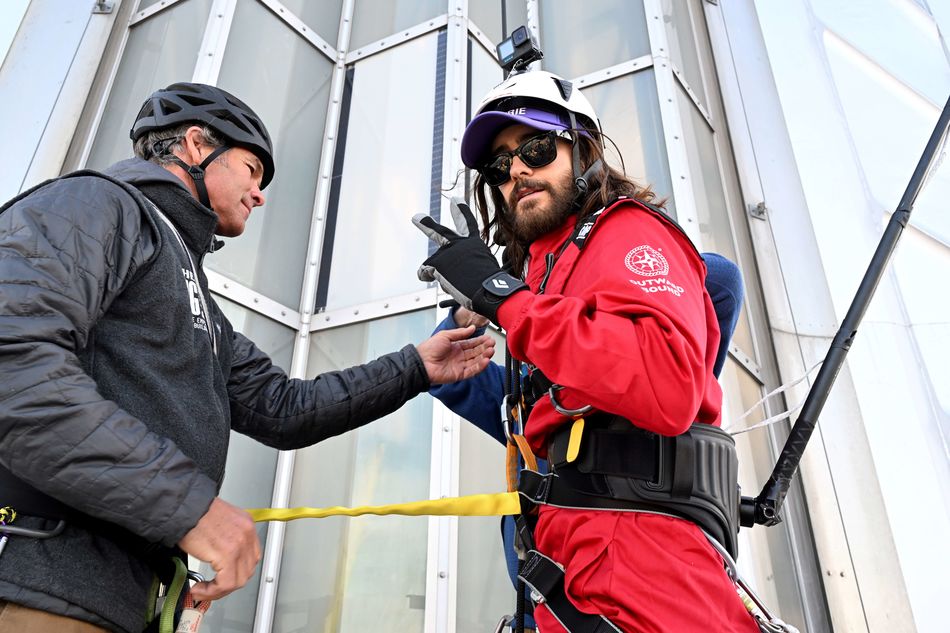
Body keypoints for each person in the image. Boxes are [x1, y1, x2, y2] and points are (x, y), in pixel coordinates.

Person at [0, 82, 494, 633]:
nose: (259, 195)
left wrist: (416, 366)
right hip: (34, 580)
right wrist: (186, 505)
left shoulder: (197, 297)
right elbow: (13, 366)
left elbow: (284, 408)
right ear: (194, 145)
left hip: (121, 596)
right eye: (252, 169)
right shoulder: (94, 203)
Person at [414, 70, 758, 631]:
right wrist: (479, 307)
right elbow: (461, 382)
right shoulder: (546, 283)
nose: (517, 170)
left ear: (585, 148)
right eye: (500, 167)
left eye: (537, 147)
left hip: (642, 563)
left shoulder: (622, 231)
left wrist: (509, 300)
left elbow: (671, 378)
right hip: (562, 567)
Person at [429, 250, 743, 631]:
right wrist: (476, 308)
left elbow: (723, 281)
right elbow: (443, 373)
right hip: (551, 612)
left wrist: (592, 268)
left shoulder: (651, 386)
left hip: (650, 599)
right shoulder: (536, 402)